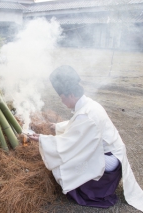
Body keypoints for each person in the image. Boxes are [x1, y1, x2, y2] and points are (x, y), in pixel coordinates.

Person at [28, 65, 143, 211]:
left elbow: (71, 143)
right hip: (113, 153)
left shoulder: (86, 114)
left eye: (62, 98)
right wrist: (56, 127)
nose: (62, 102)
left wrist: (43, 139)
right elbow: (76, 126)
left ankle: (90, 191)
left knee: (68, 159)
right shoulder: (89, 104)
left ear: (70, 95)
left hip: (110, 159)